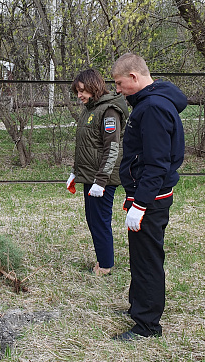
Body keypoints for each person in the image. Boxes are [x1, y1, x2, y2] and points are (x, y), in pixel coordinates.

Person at [111, 53, 186, 341]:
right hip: (146, 195)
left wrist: (140, 204)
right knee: (140, 256)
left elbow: (156, 163)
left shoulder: (153, 107)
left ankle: (147, 326)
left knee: (148, 260)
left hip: (151, 198)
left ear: (134, 77)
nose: (117, 89)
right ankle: (138, 307)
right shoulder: (148, 102)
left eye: (119, 83)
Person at [67, 69, 129, 276]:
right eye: (77, 91)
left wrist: (101, 181)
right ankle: (102, 259)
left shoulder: (109, 111)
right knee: (92, 219)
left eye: (82, 91)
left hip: (103, 179)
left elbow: (112, 148)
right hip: (90, 176)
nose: (79, 96)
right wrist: (76, 172)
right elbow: (87, 145)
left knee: (100, 219)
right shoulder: (90, 109)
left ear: (94, 87)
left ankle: (105, 265)